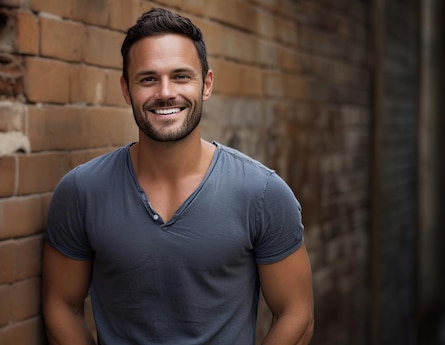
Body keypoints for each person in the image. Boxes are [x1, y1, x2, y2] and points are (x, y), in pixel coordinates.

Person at [42, 7, 314, 345]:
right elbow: (61, 307)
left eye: (181, 76)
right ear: (126, 90)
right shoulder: (82, 191)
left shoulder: (261, 193)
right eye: (148, 78)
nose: (165, 92)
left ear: (206, 85)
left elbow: (296, 314)